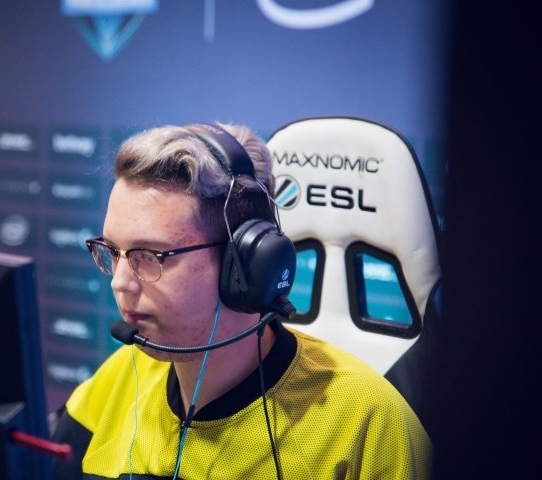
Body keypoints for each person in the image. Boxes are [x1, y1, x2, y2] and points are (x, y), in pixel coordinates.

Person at [50, 122, 431, 479]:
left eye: (150, 256)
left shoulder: (371, 425)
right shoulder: (118, 380)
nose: (120, 283)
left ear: (245, 265)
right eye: (111, 252)